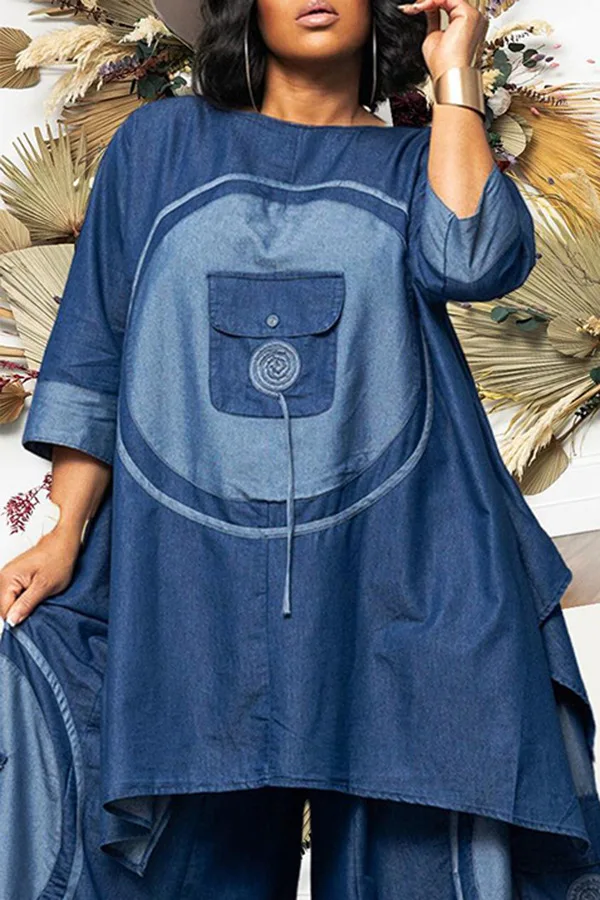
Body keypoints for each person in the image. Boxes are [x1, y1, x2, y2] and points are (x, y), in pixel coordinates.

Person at [2, 0, 600, 897]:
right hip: (190, 579)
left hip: (401, 564)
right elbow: (97, 343)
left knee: (426, 838)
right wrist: (63, 532)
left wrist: (456, 78)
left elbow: (473, 258)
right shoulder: (160, 146)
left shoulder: (421, 159)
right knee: (178, 854)